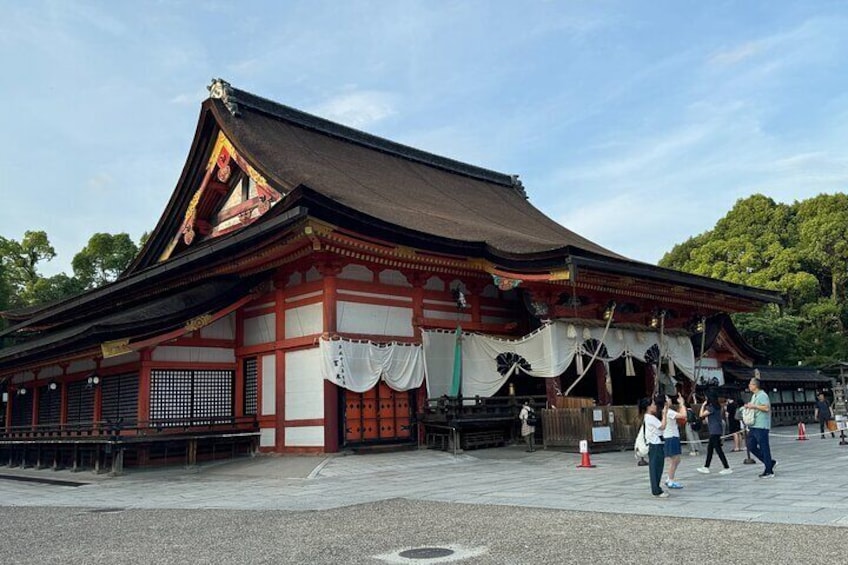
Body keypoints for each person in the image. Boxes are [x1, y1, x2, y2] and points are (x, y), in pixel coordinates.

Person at [745, 377, 776, 478]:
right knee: (750, 445)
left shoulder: (762, 395)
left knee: (764, 447)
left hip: (761, 425)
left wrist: (754, 406)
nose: (749, 386)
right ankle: (769, 462)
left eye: (750, 384)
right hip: (754, 424)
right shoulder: (754, 396)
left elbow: (766, 408)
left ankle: (769, 470)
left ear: (755, 385)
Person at [697, 391, 732, 475]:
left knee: (718, 449)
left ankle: (726, 467)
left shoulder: (711, 407)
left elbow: (701, 415)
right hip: (716, 429)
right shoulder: (717, 406)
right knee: (710, 449)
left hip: (714, 430)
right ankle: (706, 466)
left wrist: (702, 405)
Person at [643, 395, 668, 498]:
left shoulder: (649, 417)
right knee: (655, 468)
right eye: (653, 404)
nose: (655, 406)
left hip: (657, 443)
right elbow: (662, 426)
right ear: (648, 407)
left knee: (658, 467)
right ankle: (656, 490)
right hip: (655, 444)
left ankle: (657, 488)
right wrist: (664, 414)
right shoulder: (649, 417)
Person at [663, 392, 686, 489]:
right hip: (671, 437)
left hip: (671, 436)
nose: (670, 400)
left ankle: (669, 478)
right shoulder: (668, 412)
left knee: (676, 460)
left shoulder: (665, 411)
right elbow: (683, 415)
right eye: (668, 398)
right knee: (674, 460)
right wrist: (681, 403)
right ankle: (671, 480)